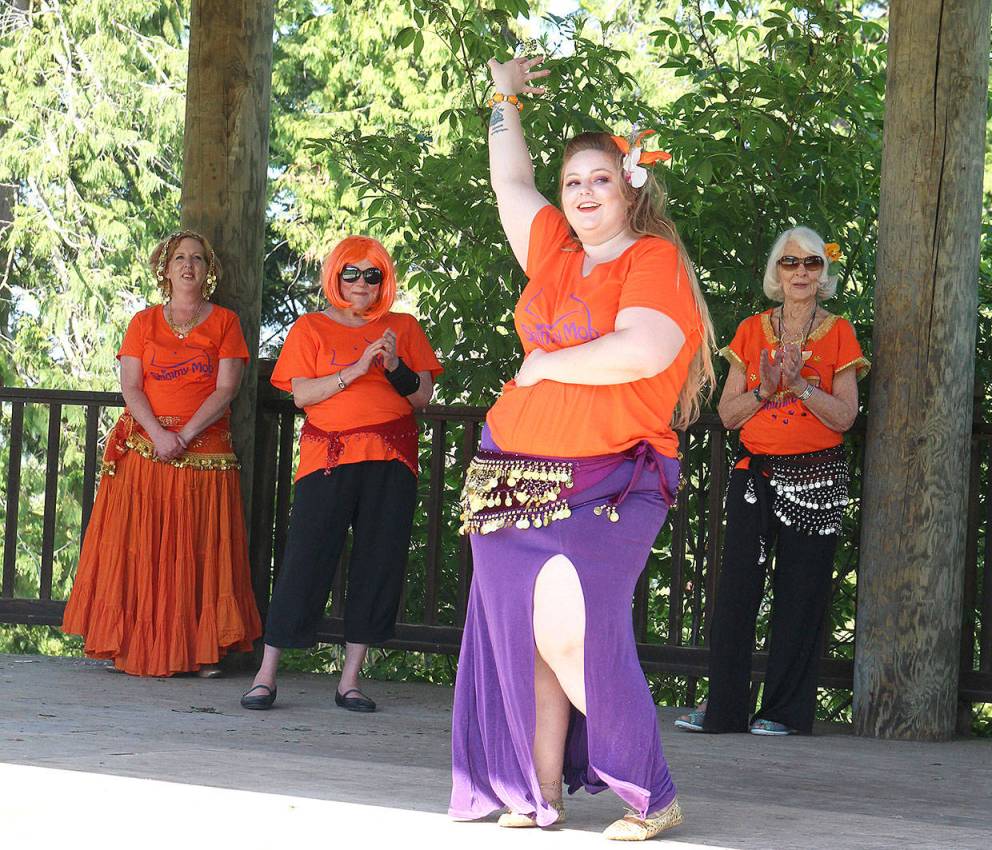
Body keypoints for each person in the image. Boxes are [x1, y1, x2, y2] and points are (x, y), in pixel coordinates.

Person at [448, 56, 716, 842]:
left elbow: (640, 351)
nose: (584, 194)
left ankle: (651, 790)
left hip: (612, 477)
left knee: (570, 626)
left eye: (600, 179)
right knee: (521, 636)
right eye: (573, 184)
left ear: (630, 186)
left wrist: (546, 364)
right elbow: (508, 180)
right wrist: (502, 96)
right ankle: (537, 797)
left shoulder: (652, 261)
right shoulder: (554, 253)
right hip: (509, 474)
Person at [675, 227, 869, 736]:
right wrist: (766, 388)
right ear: (776, 272)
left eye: (810, 263)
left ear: (822, 272)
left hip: (816, 479)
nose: (801, 272)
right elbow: (729, 413)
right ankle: (724, 710)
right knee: (737, 591)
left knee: (801, 593)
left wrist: (801, 386)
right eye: (790, 263)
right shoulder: (751, 329)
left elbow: (845, 416)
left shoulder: (840, 332)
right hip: (754, 473)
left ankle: (782, 711)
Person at [240, 235, 442, 712]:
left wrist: (392, 365)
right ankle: (266, 674)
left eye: (372, 274)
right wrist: (355, 367)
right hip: (327, 457)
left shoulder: (404, 327)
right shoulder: (310, 328)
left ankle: (350, 680)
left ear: (383, 281)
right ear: (336, 276)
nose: (361, 283)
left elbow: (421, 398)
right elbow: (301, 396)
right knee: (304, 559)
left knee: (378, 562)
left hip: (390, 459)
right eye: (351, 272)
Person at [63, 230, 262, 677]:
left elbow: (227, 388)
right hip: (147, 452)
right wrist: (158, 434)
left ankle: (202, 650)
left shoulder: (225, 322)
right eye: (179, 258)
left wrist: (185, 434)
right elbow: (131, 386)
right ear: (165, 269)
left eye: (197, 258)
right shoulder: (143, 322)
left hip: (204, 453)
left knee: (197, 552)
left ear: (209, 271)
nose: (188, 265)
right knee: (144, 551)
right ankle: (131, 645)